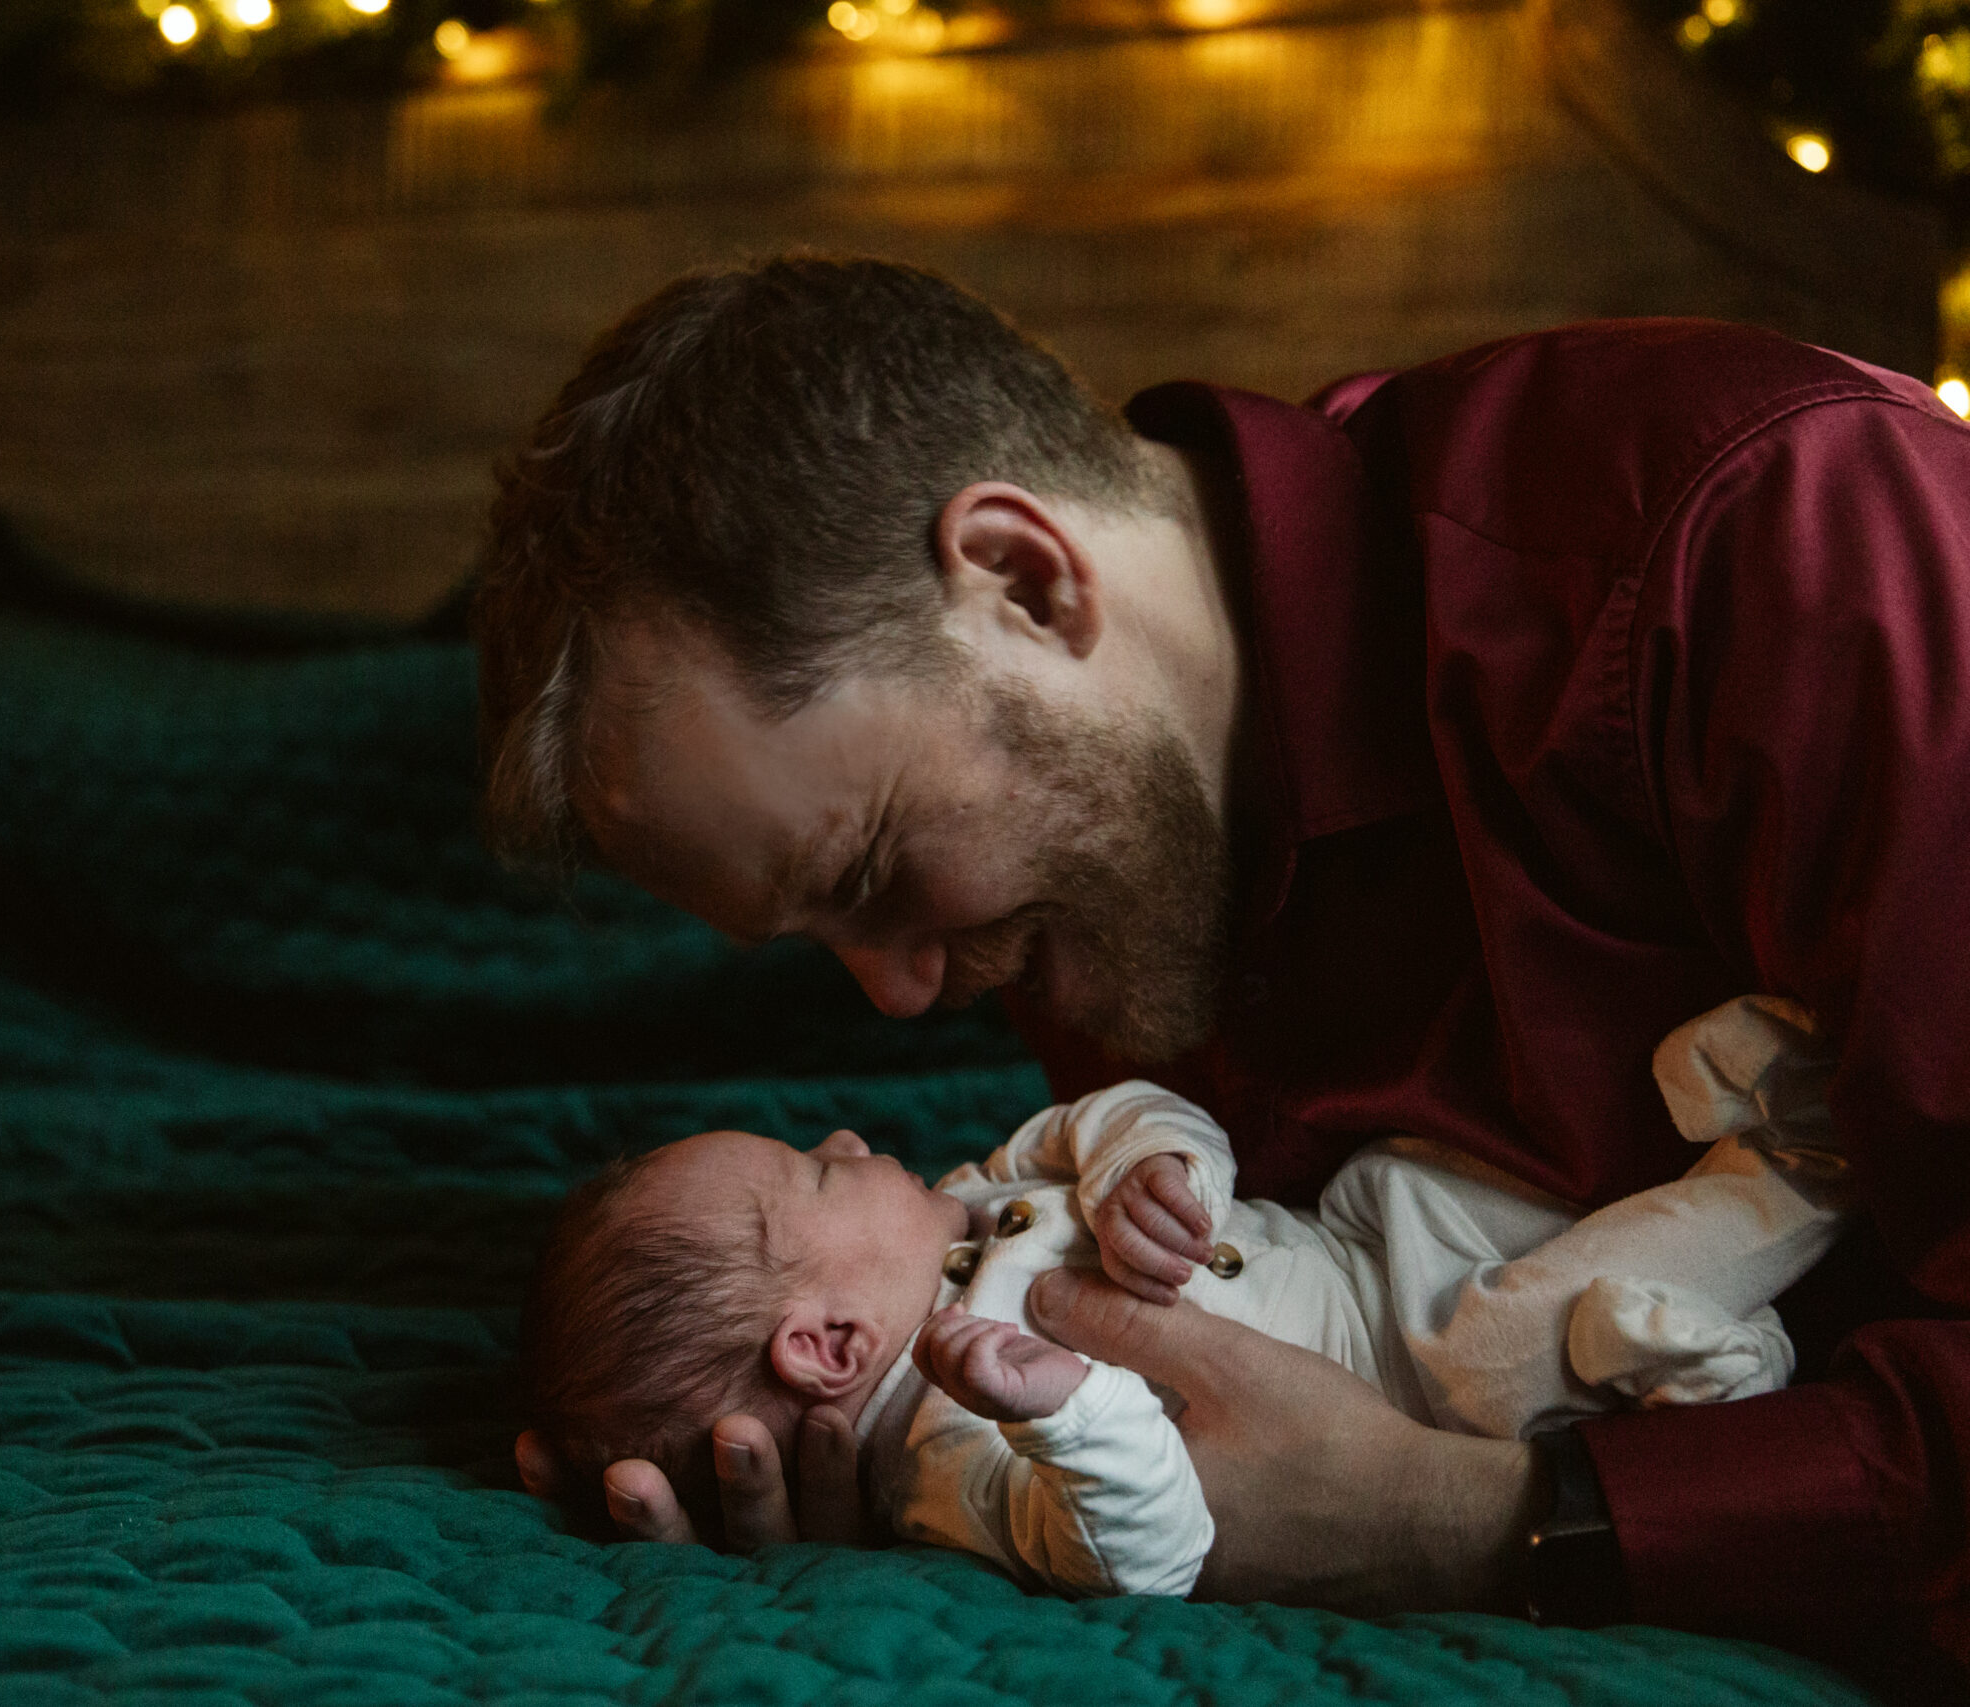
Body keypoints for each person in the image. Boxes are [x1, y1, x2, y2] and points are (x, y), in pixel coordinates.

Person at [469, 255, 1970, 1677]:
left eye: (870, 872)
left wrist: (1485, 1522)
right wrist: (920, 1467)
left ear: (1025, 580)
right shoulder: (1108, 876)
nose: (904, 997)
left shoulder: (1765, 537)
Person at [520, 1006, 1846, 1599]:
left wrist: (1153, 1163)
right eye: (819, 1172)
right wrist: (1073, 1408)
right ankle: (1800, 1162)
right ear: (829, 1345)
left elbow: (1098, 1115)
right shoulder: (950, 1452)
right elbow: (1145, 1555)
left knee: (1427, 1174)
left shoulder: (970, 1199)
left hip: (1359, 1242)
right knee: (1529, 1334)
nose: (853, 1138)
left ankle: (1699, 1317)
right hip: (1416, 1385)